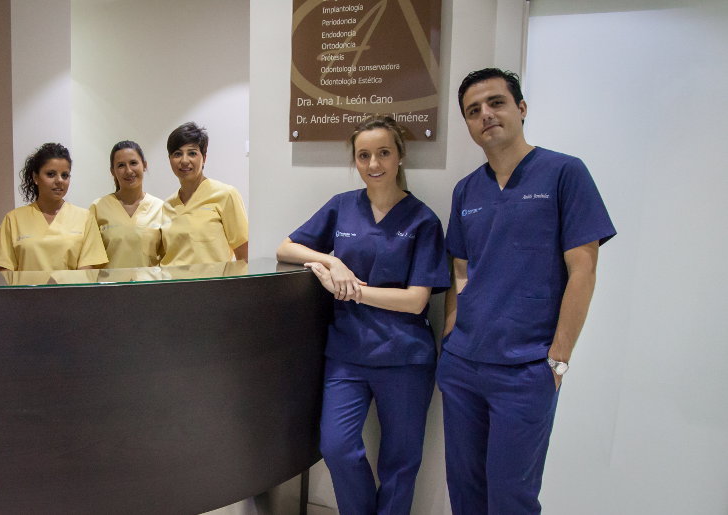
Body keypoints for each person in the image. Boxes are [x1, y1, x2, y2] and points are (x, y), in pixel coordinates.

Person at [440, 68, 616, 514]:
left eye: (496, 102)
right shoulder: (467, 190)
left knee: (511, 497)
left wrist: (557, 359)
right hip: (463, 366)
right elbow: (460, 269)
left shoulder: (563, 173)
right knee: (465, 491)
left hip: (526, 369)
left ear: (521, 109)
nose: (486, 114)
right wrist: (450, 337)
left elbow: (583, 270)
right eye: (473, 110)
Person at [276, 116, 449, 514]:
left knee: (401, 462)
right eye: (363, 155)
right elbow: (286, 247)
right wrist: (332, 263)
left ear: (400, 155)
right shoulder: (342, 206)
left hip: (405, 356)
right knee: (336, 446)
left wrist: (352, 289)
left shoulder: (423, 220)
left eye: (383, 152)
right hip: (347, 353)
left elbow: (416, 301)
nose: (374, 164)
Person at [0, 142, 108, 271]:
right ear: (36, 177)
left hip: (73, 285)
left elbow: (88, 266)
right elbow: (3, 267)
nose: (59, 180)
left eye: (65, 175)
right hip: (26, 285)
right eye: (51, 174)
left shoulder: (85, 218)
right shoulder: (14, 219)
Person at [160, 122, 248, 266]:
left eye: (192, 153)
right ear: (170, 159)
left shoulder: (225, 195)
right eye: (177, 154)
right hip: (171, 280)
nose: (184, 160)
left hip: (213, 281)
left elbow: (244, 257)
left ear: (204, 158)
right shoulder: (167, 205)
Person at [90, 140, 165, 267]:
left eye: (133, 163)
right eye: (121, 165)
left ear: (144, 165)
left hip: (149, 280)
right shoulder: (98, 208)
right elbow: (90, 259)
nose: (129, 170)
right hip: (109, 281)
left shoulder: (160, 208)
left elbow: (167, 259)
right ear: (112, 171)